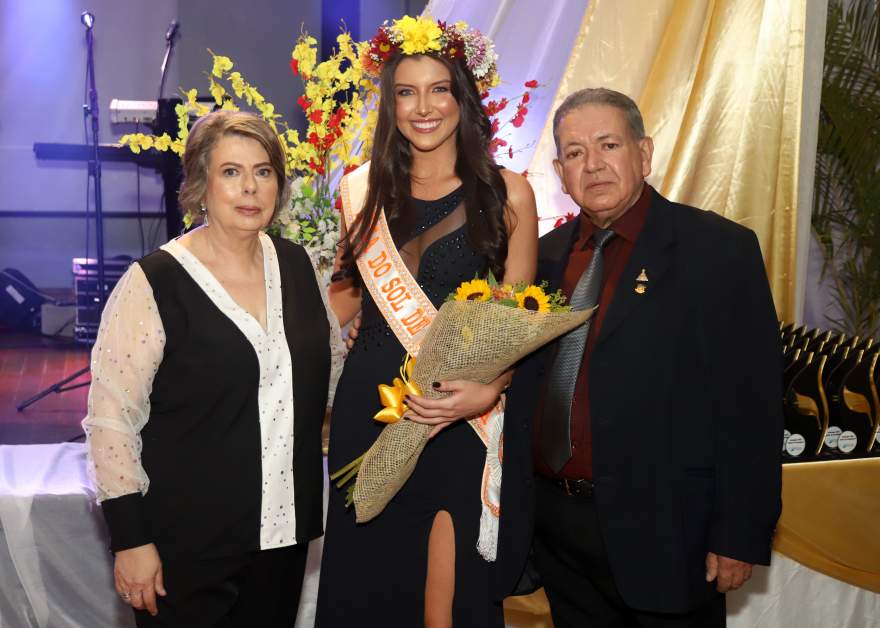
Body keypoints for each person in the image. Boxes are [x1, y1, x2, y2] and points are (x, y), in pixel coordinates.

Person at [503, 88, 783, 627]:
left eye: (608, 144)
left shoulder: (717, 251)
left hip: (667, 529)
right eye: (576, 152)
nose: (594, 164)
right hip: (557, 531)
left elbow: (751, 407)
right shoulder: (545, 258)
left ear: (644, 153)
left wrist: (740, 532)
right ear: (560, 171)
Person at [315, 18, 538, 628]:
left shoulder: (508, 194)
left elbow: (520, 320)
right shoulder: (360, 188)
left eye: (439, 89)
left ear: (462, 97)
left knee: (447, 599)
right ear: (390, 103)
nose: (423, 107)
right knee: (368, 587)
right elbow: (344, 296)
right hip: (370, 407)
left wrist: (492, 388)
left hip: (454, 414)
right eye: (406, 92)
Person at [82, 110, 343, 627]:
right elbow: (110, 421)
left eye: (263, 171)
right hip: (185, 545)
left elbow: (331, 373)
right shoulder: (154, 282)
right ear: (201, 184)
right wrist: (131, 538)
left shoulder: (297, 265)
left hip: (282, 539)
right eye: (231, 172)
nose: (250, 188)